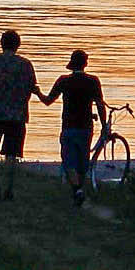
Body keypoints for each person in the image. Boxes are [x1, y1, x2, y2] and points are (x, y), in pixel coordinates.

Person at [38, 48, 107, 208]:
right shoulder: (93, 81)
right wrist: (104, 126)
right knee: (82, 162)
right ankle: (79, 192)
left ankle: (77, 191)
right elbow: (100, 104)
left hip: (68, 126)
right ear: (85, 64)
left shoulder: (64, 81)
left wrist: (37, 92)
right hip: (86, 128)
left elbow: (48, 101)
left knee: (69, 161)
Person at [0, 29, 37, 201]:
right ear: (18, 45)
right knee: (12, 153)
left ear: (1, 43)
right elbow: (30, 88)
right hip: (16, 114)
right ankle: (9, 189)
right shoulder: (25, 64)